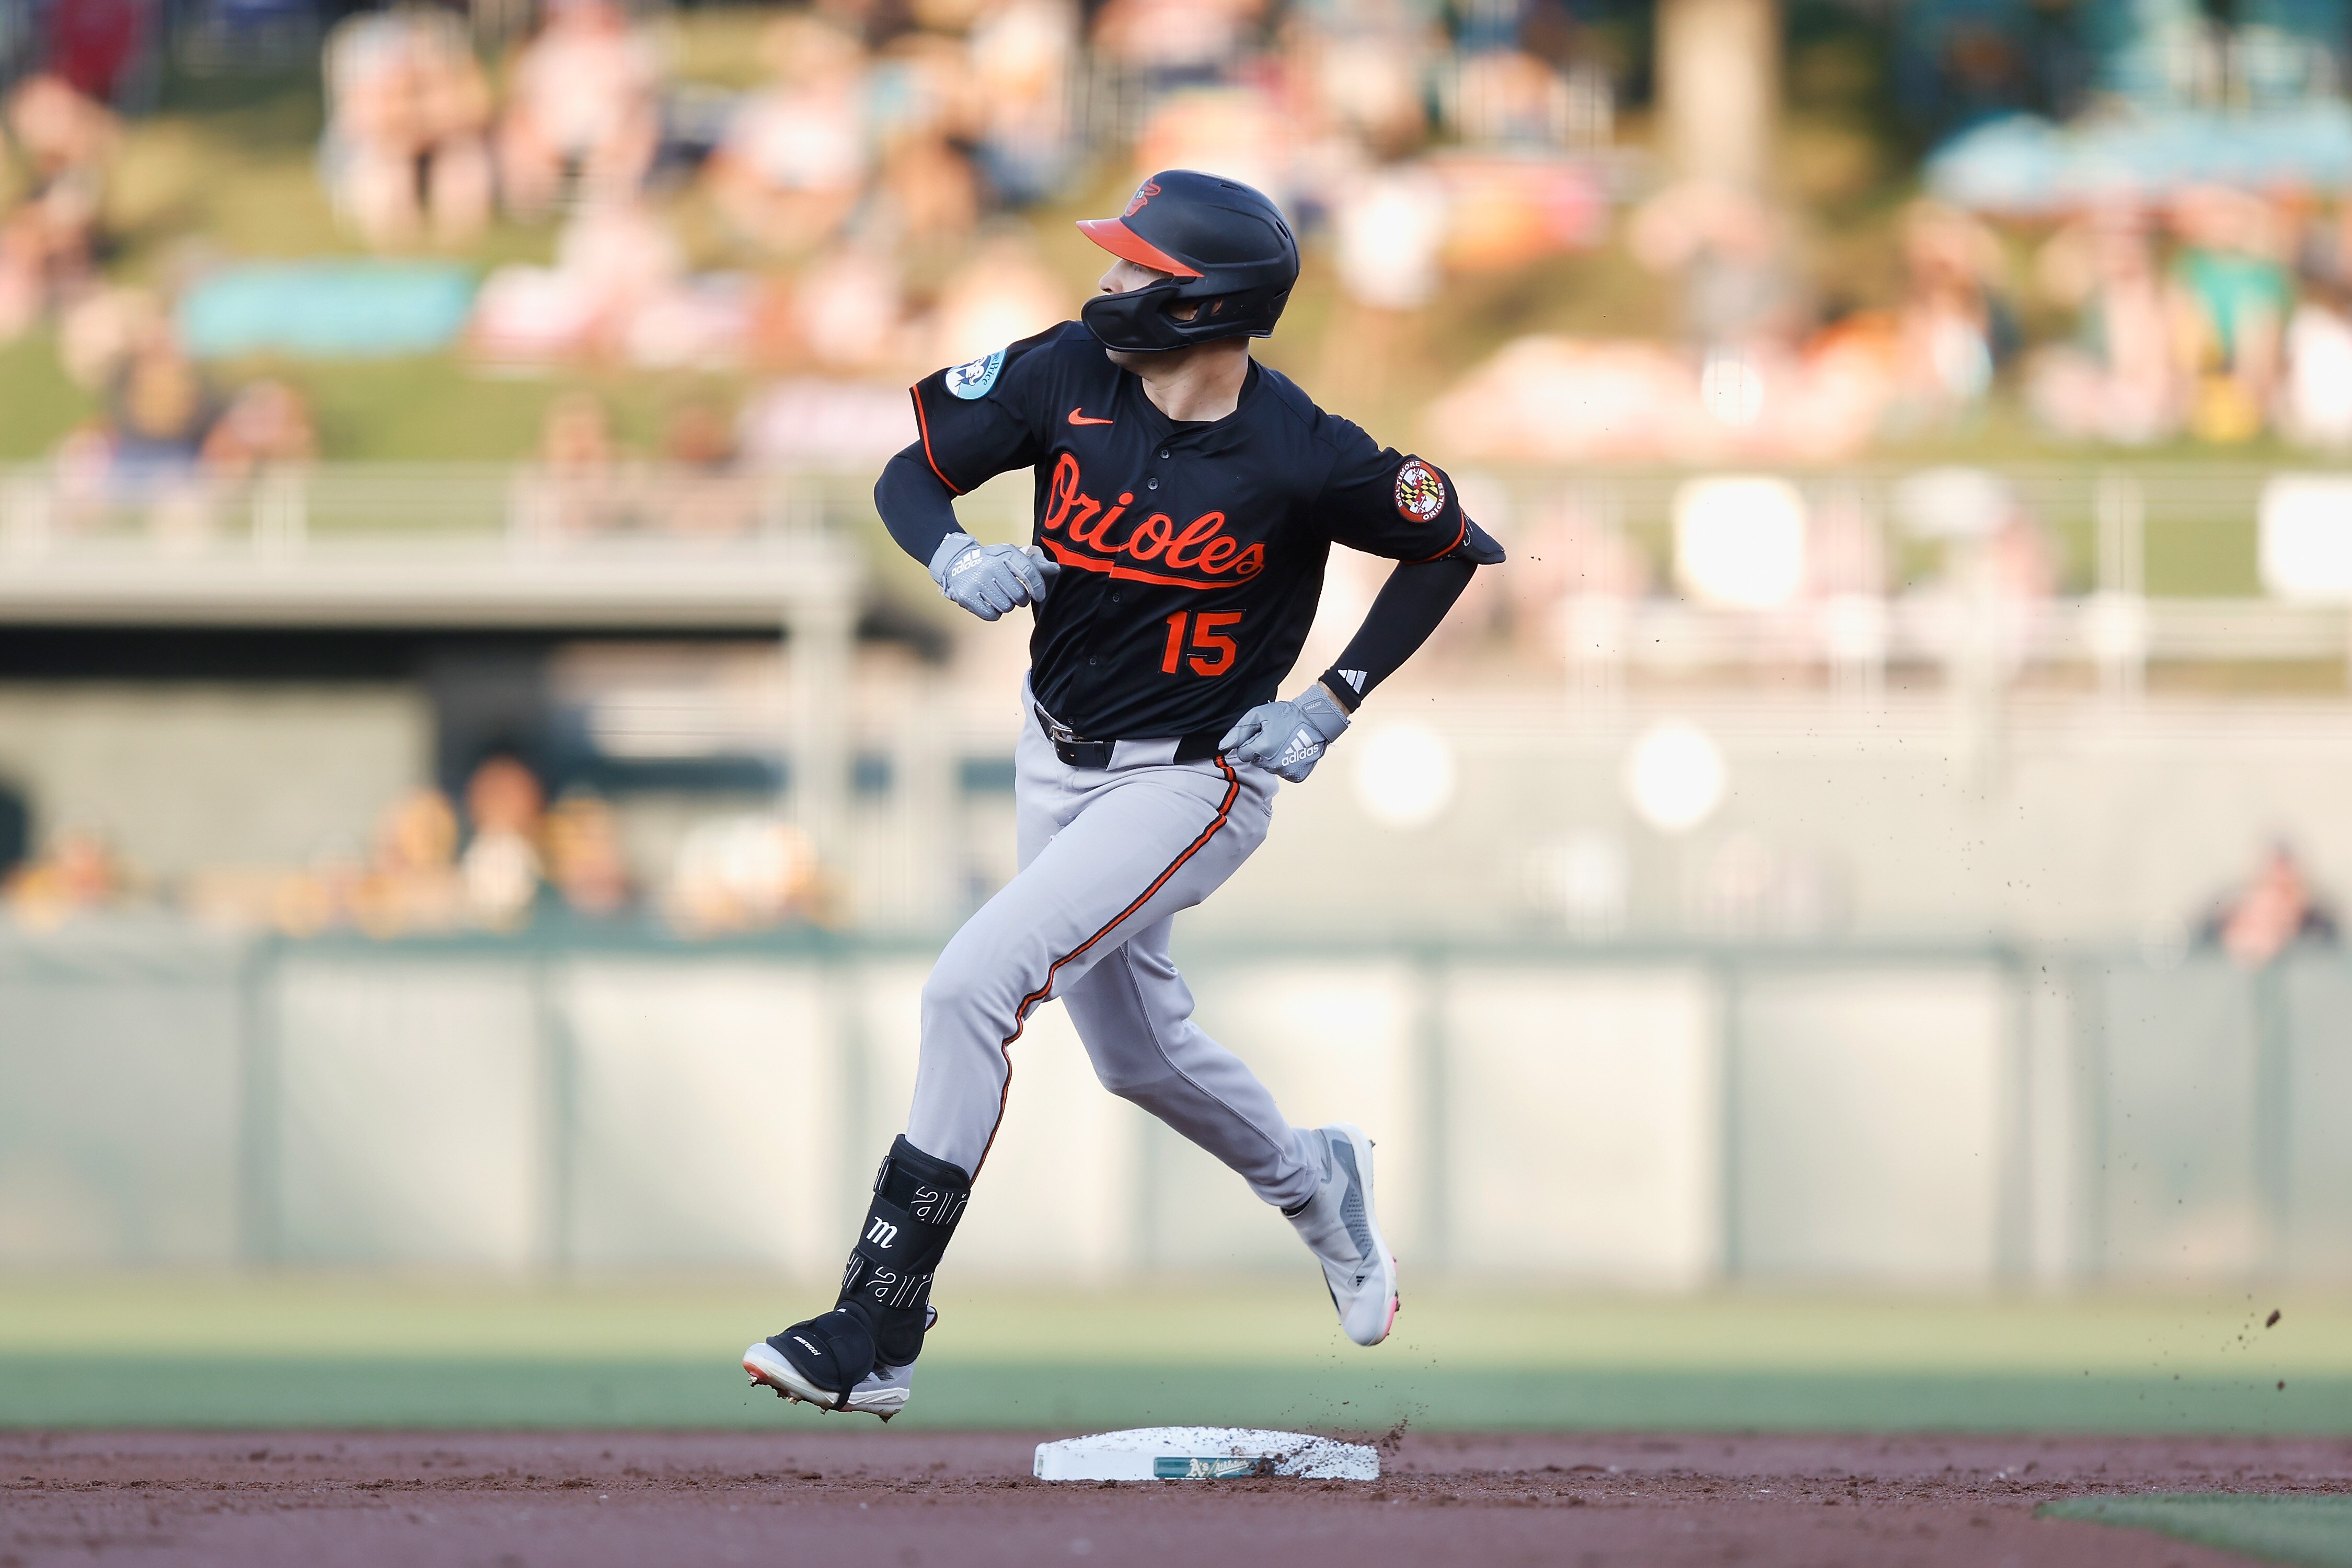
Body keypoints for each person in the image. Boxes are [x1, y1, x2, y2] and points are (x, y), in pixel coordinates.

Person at [741, 169, 1504, 1420]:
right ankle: (1320, 1185)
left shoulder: (1305, 449)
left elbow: (1450, 547)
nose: (1108, 284)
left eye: (1137, 269)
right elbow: (906, 474)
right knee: (1138, 1058)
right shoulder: (1060, 373)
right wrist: (953, 553)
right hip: (1058, 754)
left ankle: (878, 1322)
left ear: (1205, 306)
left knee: (971, 985)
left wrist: (1334, 698)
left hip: (1198, 776)